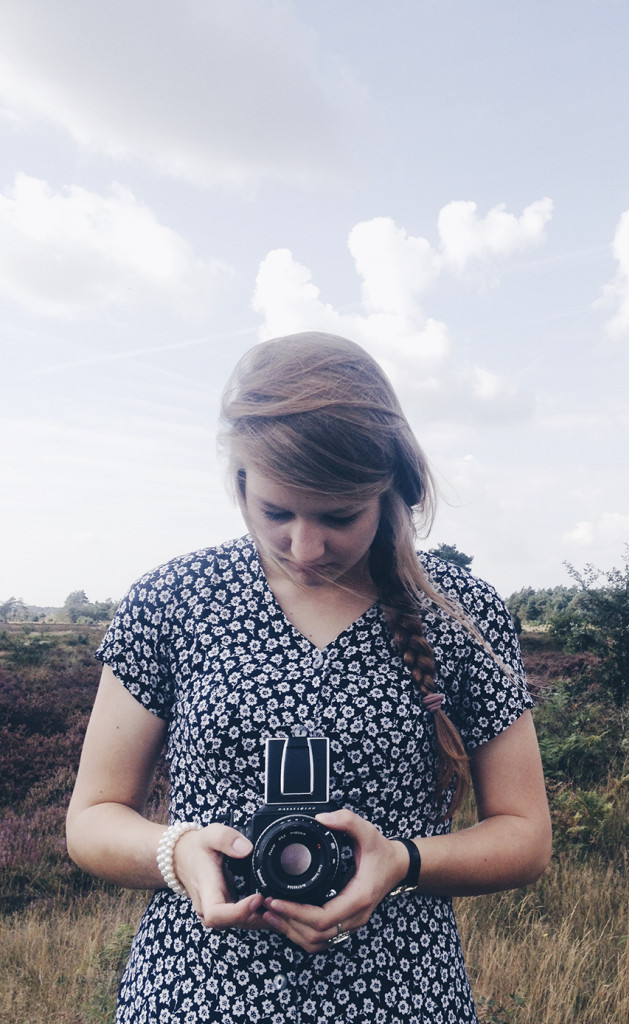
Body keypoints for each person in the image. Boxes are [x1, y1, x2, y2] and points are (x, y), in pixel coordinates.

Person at [66, 331, 551, 1024]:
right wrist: (176, 850)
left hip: (401, 1000)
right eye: (276, 513)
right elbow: (91, 820)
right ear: (239, 485)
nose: (305, 546)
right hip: (195, 999)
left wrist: (402, 863)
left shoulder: (462, 612)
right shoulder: (173, 601)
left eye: (338, 515)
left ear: (390, 488)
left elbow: (525, 837)